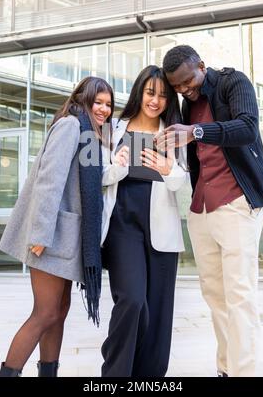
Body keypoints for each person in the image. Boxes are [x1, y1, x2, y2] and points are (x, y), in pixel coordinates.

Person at [155, 45, 263, 377]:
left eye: (188, 82)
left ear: (201, 66)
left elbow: (247, 127)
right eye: (177, 87)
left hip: (237, 202)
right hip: (201, 208)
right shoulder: (184, 103)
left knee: (239, 295)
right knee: (215, 296)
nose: (184, 90)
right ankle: (226, 368)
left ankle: (243, 372)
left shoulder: (232, 83)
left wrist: (195, 132)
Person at [0, 76, 114, 377]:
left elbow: (93, 185)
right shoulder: (71, 125)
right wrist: (40, 233)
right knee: (45, 313)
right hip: (51, 236)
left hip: (66, 239)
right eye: (98, 102)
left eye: (109, 105)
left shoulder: (91, 134)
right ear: (83, 98)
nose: (104, 109)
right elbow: (49, 181)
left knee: (58, 313)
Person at [100, 65, 188, 377]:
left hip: (161, 228)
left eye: (163, 96)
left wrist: (168, 168)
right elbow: (96, 176)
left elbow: (184, 185)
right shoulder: (113, 130)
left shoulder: (174, 132)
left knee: (159, 310)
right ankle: (115, 375)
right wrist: (117, 166)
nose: (155, 101)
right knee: (133, 301)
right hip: (123, 225)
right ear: (139, 91)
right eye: (150, 93)